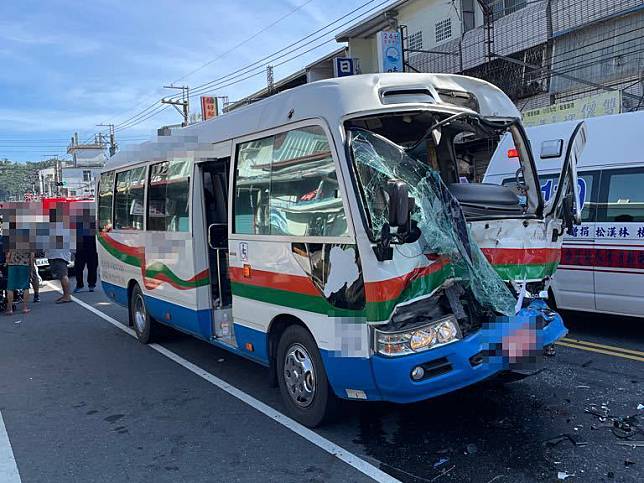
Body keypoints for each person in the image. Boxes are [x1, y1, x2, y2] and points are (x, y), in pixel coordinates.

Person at [5, 248, 33, 315]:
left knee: (10, 288)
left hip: (12, 265)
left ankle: (10, 309)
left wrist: (7, 262)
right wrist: (31, 268)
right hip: (24, 264)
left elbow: (8, 254)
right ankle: (25, 308)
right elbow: (32, 256)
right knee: (25, 287)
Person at [74, 225, 98, 293]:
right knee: (78, 268)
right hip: (80, 249)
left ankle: (91, 285)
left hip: (92, 249)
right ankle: (79, 285)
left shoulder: (94, 224)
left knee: (92, 268)